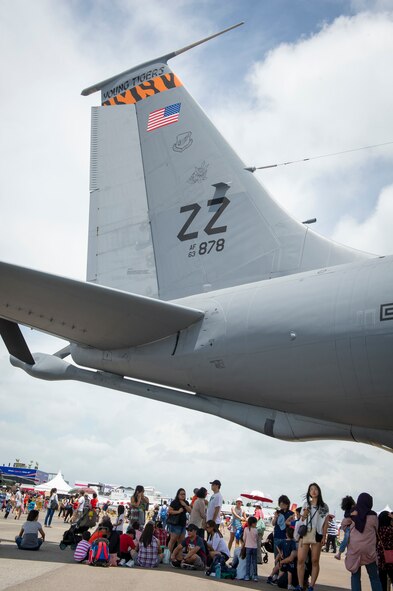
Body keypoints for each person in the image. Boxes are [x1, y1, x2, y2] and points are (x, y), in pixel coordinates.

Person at [342, 492, 382, 591]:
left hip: (354, 550)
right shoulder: (373, 516)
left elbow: (343, 525)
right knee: (374, 578)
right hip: (369, 551)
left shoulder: (352, 514)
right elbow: (377, 529)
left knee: (355, 577)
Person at [295, 483, 329, 591]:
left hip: (318, 534)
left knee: (315, 560)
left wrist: (324, 536)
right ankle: (300, 585)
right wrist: (305, 513)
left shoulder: (324, 506)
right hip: (305, 533)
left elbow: (325, 523)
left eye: (315, 489)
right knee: (300, 560)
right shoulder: (306, 504)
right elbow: (301, 520)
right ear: (309, 492)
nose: (313, 491)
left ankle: (311, 586)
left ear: (319, 491)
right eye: (311, 489)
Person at [167, 488, 191, 552]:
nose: (183, 495)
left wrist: (185, 505)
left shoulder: (186, 502)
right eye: (181, 494)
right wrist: (178, 511)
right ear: (178, 495)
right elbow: (169, 511)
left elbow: (190, 511)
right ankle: (168, 556)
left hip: (183, 524)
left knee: (181, 541)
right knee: (173, 540)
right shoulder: (174, 502)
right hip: (175, 524)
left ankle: (177, 556)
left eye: (184, 494)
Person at [376, 510, 393, 591]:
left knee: (382, 579)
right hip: (391, 556)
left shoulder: (378, 530)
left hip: (381, 556)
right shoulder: (391, 529)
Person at [335, 496, 356, 560]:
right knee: (347, 538)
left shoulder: (354, 507)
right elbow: (346, 515)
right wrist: (351, 514)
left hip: (350, 526)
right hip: (349, 526)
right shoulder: (350, 508)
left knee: (348, 539)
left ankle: (342, 553)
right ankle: (340, 553)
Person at [243, 515, 259, 582]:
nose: (256, 524)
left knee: (248, 562)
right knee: (254, 562)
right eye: (255, 523)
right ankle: (255, 576)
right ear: (252, 523)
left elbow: (244, 538)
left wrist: (246, 542)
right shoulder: (256, 530)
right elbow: (257, 539)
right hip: (254, 547)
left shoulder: (246, 529)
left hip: (248, 547)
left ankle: (247, 575)